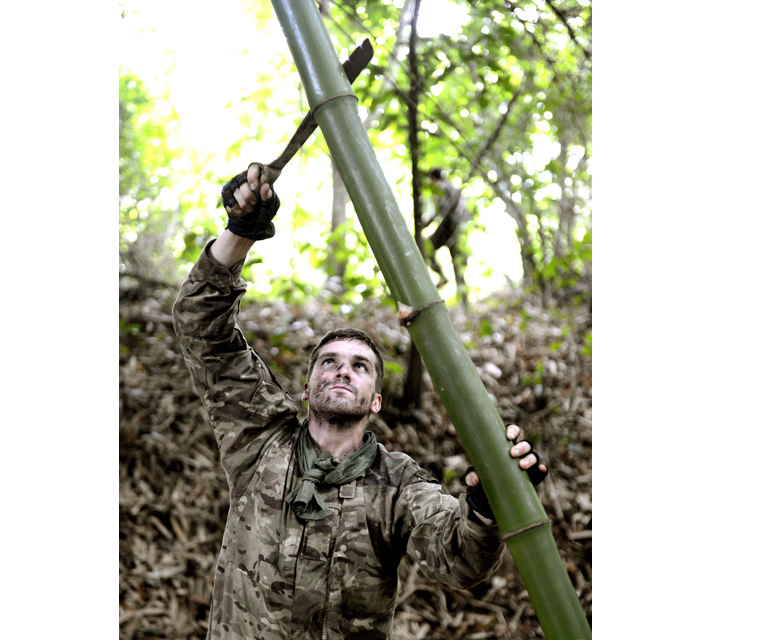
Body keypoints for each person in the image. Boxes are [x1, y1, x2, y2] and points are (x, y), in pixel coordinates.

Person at [172, 163, 547, 640]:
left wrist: (490, 500)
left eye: (360, 365)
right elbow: (200, 326)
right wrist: (239, 232)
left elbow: (458, 559)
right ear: (307, 389)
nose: (342, 370)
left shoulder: (398, 484)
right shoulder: (259, 438)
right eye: (327, 362)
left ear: (376, 401)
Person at [421, 168, 473, 307]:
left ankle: (442, 276)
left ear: (432, 178)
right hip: (456, 228)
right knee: (456, 262)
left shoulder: (441, 187)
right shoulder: (453, 187)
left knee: (426, 249)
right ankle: (465, 301)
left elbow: (440, 209)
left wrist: (424, 224)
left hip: (447, 227)